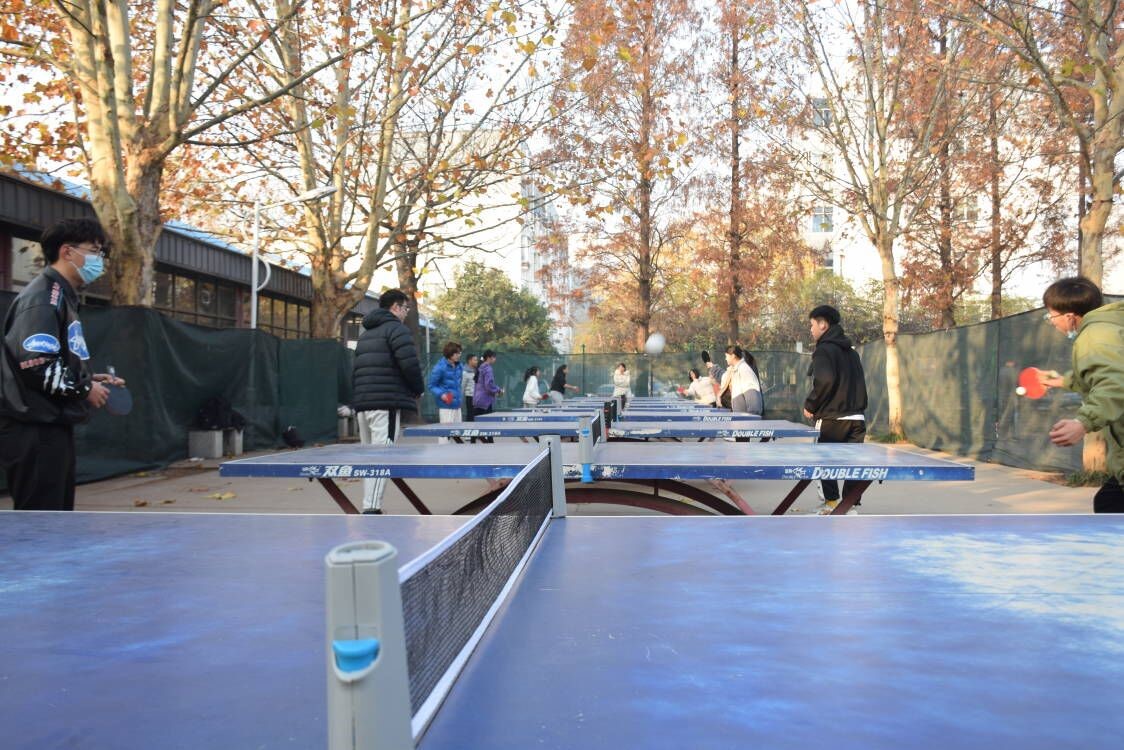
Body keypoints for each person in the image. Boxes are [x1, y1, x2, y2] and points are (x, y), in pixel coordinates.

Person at [0, 218, 124, 511]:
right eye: (94, 250)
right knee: (43, 521)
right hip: (33, 428)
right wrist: (84, 389)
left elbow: (47, 360)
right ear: (67, 251)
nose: (100, 259)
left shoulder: (61, 295)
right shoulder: (45, 297)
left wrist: (90, 379)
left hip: (48, 424)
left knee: (56, 518)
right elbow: (36, 363)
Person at [1036, 277, 1124, 513]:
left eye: (1051, 316)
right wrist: (1059, 380)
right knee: (1108, 502)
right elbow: (1105, 372)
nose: (1051, 322)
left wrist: (1082, 423)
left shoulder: (1095, 336)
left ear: (1069, 316)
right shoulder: (1113, 326)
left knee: (1109, 507)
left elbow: (1115, 384)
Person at [351, 288, 424, 514]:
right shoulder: (397, 330)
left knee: (369, 458)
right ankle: (371, 509)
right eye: (405, 308)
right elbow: (409, 364)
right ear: (395, 307)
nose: (406, 312)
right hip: (385, 404)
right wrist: (417, 389)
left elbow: (356, 370)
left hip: (363, 404)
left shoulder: (365, 335)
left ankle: (370, 504)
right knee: (381, 457)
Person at [803, 304, 868, 515]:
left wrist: (810, 404)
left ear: (823, 324)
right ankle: (849, 506)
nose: (811, 330)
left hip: (832, 419)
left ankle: (832, 503)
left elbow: (825, 380)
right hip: (857, 419)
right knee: (852, 464)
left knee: (824, 461)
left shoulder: (823, 350)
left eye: (812, 325)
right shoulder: (852, 353)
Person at [428, 341, 464, 444]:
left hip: (457, 405)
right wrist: (442, 394)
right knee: (445, 437)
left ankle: (457, 454)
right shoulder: (439, 367)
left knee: (458, 434)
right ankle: (442, 454)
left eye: (459, 353)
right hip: (446, 407)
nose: (459, 355)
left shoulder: (459, 366)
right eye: (457, 353)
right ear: (450, 353)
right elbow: (431, 385)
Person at [717, 345, 763, 415]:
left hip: (746, 420)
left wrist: (752, 418)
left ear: (733, 356)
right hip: (740, 418)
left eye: (726, 356)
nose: (725, 359)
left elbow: (753, 398)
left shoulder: (744, 370)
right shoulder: (736, 370)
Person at [472, 350, 503, 441]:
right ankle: (489, 443)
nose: (495, 359)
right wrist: (499, 390)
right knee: (488, 424)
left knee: (476, 424)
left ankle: (473, 442)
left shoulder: (480, 367)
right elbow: (489, 385)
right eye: (494, 357)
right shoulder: (488, 368)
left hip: (477, 399)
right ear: (489, 358)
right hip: (485, 400)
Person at [461, 353, 478, 420]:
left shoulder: (476, 371)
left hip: (477, 397)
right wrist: (460, 399)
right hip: (470, 397)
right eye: (475, 360)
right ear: (470, 361)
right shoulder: (464, 372)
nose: (476, 362)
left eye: (476, 360)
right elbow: (462, 386)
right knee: (471, 416)